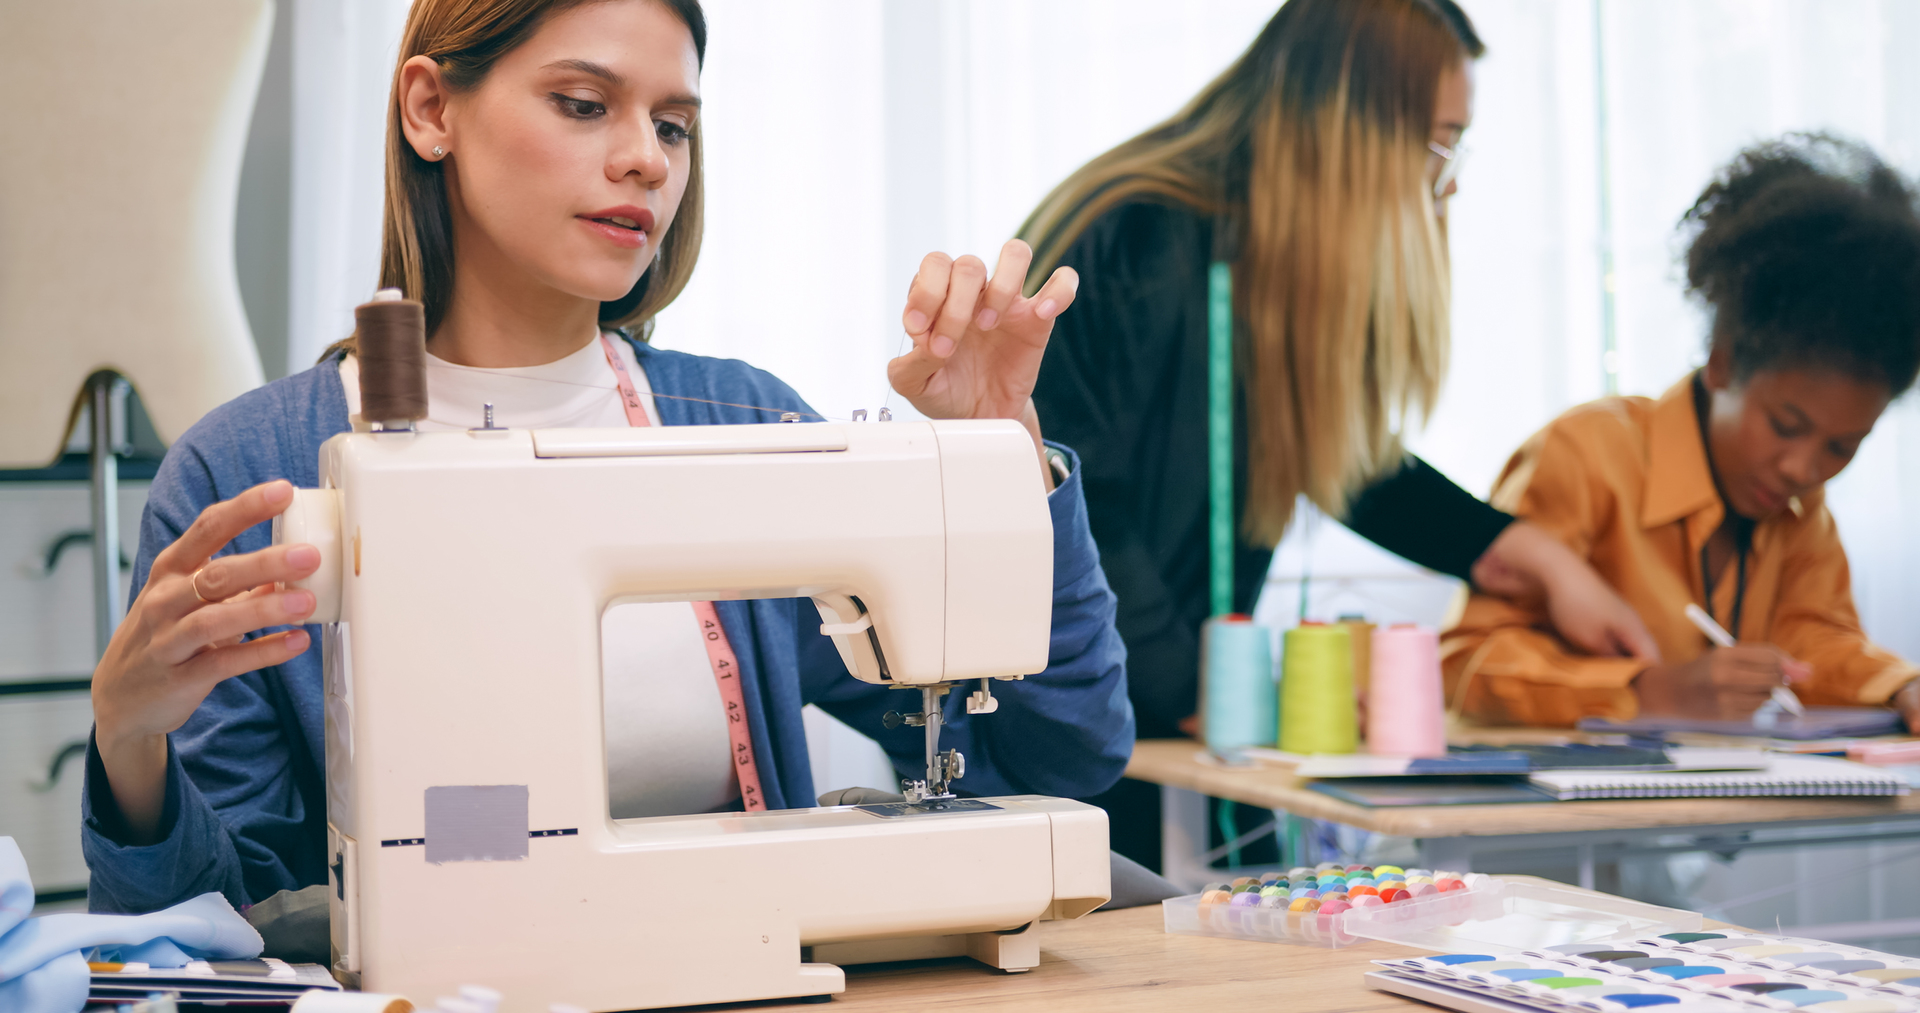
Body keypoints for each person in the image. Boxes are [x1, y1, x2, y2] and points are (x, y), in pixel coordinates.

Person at [82, 0, 1131, 914]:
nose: (648, 158)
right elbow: (224, 923)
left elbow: (1061, 757)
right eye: (586, 104)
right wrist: (130, 745)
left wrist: (1004, 455)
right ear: (431, 110)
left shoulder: (742, 426)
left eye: (673, 125)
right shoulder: (247, 471)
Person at [1020, 0, 1661, 754]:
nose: (1446, 185)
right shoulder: (1137, 232)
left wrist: (1527, 555)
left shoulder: (1258, 254)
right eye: (1442, 144)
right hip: (1069, 726)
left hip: (1156, 714)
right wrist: (1199, 691)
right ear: (1358, 127)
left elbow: (1339, 456)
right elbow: (1079, 501)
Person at [1441, 134, 1920, 730]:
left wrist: (1902, 688)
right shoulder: (1588, 454)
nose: (1803, 469)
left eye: (1841, 447)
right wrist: (1648, 692)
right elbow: (1468, 663)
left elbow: (1816, 645)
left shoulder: (1802, 513)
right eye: (1785, 425)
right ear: (1721, 363)